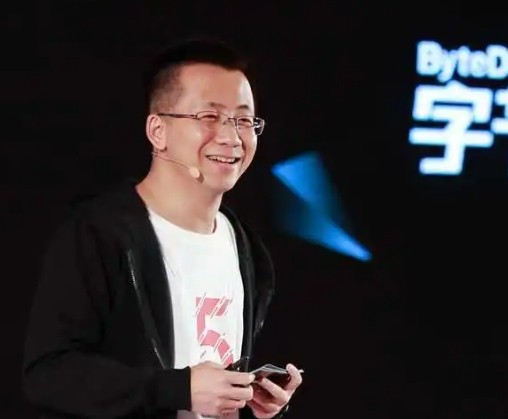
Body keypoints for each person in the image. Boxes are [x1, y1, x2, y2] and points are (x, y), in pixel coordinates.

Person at [22, 37, 302, 418]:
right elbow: (48, 375)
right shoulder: (98, 235)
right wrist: (178, 390)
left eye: (243, 120)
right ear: (158, 131)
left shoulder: (246, 249)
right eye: (209, 117)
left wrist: (255, 400)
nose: (231, 137)